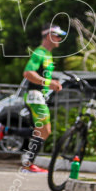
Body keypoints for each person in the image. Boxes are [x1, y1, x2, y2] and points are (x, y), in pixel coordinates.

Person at [19, 25, 66, 173]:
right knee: (44, 130)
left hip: (40, 97)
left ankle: (27, 162)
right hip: (35, 96)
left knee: (40, 130)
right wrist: (48, 83)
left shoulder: (48, 54)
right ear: (48, 36)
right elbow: (28, 73)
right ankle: (28, 164)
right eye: (57, 36)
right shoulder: (39, 53)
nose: (60, 39)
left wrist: (53, 84)